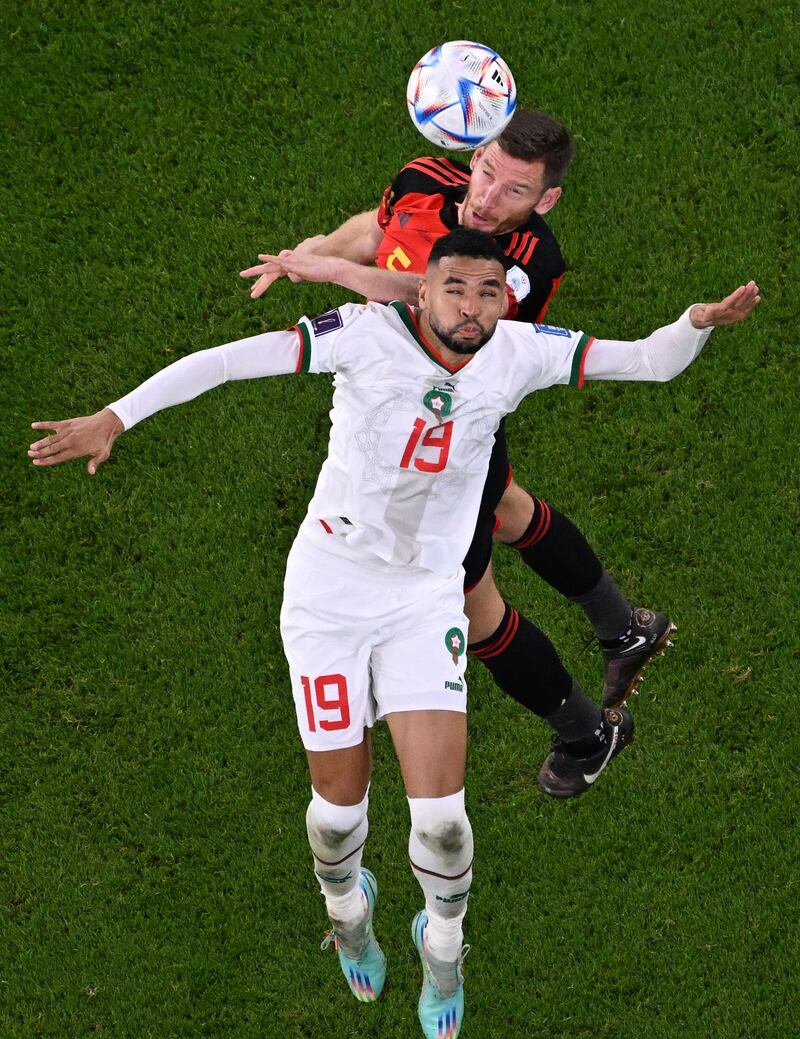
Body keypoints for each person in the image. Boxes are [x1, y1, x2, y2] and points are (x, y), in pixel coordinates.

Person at [28, 228, 759, 1039]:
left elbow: (649, 361)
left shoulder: (519, 351)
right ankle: (349, 914)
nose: (473, 307)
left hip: (423, 600)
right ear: (420, 291)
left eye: (489, 291)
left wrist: (697, 321)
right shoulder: (362, 334)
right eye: (456, 289)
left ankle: (442, 953)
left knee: (442, 819)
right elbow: (229, 359)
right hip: (329, 595)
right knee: (337, 820)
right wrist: (115, 417)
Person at [240, 110, 677, 780]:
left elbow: (431, 311)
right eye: (487, 170)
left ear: (545, 201)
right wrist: (319, 248)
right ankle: (624, 628)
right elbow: (378, 227)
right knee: (509, 508)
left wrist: (329, 271)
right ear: (473, 154)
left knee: (475, 610)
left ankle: (587, 734)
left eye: (513, 191)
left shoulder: (527, 264)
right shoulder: (424, 178)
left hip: (448, 445)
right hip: (411, 423)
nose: (486, 195)